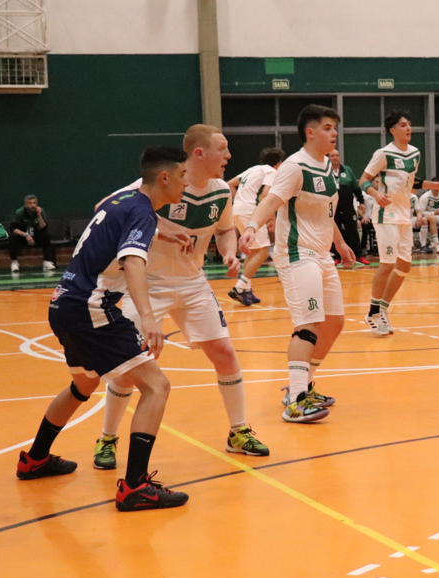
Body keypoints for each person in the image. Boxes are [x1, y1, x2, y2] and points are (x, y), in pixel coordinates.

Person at [18, 146, 191, 512]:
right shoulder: (143, 212)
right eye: (182, 176)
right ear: (164, 177)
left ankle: (34, 459)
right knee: (157, 386)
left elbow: (112, 226)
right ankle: (135, 486)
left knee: (84, 382)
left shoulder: (124, 199)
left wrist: (163, 235)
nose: (185, 183)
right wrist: (146, 316)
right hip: (91, 307)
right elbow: (131, 261)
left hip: (63, 303)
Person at [93, 125, 268, 467]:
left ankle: (238, 431)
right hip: (147, 284)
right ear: (198, 154)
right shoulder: (163, 182)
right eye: (223, 149)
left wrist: (230, 253)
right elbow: (105, 207)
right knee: (130, 366)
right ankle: (107, 438)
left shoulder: (220, 191)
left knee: (225, 354)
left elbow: (224, 230)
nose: (229, 156)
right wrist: (164, 229)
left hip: (192, 282)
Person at [239, 104, 356, 422]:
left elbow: (325, 213)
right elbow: (271, 201)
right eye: (328, 127)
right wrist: (252, 226)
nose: (334, 133)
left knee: (334, 323)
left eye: (335, 128)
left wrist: (341, 243)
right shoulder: (294, 167)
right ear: (310, 132)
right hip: (296, 255)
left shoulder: (328, 167)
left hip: (322, 255)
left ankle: (304, 384)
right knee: (308, 325)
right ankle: (295, 399)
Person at [359, 111, 439, 335]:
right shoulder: (383, 153)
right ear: (392, 130)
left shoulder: (415, 153)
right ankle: (372, 311)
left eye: (409, 124)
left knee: (404, 266)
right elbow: (363, 180)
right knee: (387, 264)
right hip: (385, 214)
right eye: (402, 125)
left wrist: (433, 185)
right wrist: (375, 194)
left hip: (403, 215)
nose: (408, 128)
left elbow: (411, 182)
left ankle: (383, 309)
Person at [227, 148, 286, 305]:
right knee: (262, 252)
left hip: (237, 210)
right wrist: (270, 217)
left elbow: (230, 184)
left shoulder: (252, 169)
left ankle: (247, 290)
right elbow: (265, 195)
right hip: (250, 211)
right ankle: (239, 288)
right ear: (279, 163)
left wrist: (240, 200)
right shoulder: (272, 172)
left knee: (252, 252)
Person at [330, 149, 368, 265]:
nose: (335, 158)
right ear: (329, 158)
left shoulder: (347, 170)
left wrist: (361, 201)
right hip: (333, 208)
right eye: (332, 156)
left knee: (353, 232)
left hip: (348, 208)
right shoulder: (325, 171)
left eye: (337, 155)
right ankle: (336, 257)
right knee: (334, 233)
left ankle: (358, 256)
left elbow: (356, 188)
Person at [8, 194, 56, 273]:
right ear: (25, 205)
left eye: (34, 203)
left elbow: (43, 227)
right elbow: (13, 229)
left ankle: (46, 261)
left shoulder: (41, 211)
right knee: (12, 237)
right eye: (30, 203)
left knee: (46, 235)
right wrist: (26, 235)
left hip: (36, 235)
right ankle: (14, 262)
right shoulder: (19, 213)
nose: (32, 205)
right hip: (23, 235)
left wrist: (39, 215)